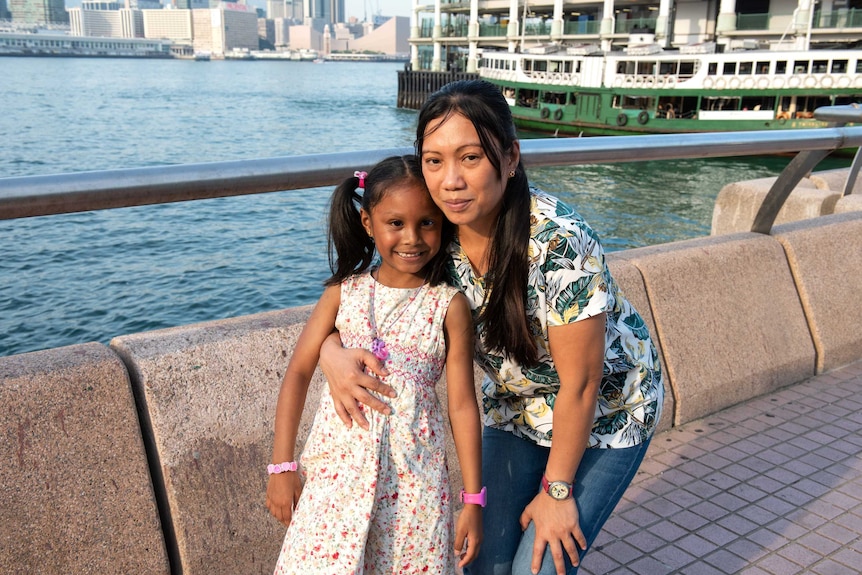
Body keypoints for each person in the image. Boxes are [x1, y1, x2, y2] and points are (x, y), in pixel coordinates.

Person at [319, 79, 665, 575]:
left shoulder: (559, 242)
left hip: (609, 412)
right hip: (515, 410)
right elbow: (362, 297)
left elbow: (583, 383)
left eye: (471, 158)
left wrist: (557, 491)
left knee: (539, 566)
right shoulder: (435, 235)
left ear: (510, 158)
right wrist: (331, 350)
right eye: (434, 161)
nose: (450, 181)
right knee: (483, 565)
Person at [266, 155, 484, 573]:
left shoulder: (448, 305)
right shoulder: (343, 293)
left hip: (413, 487)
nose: (412, 238)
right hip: (336, 480)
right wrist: (283, 466)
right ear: (368, 224)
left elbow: (461, 405)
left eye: (427, 222)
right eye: (395, 223)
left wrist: (473, 499)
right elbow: (297, 371)